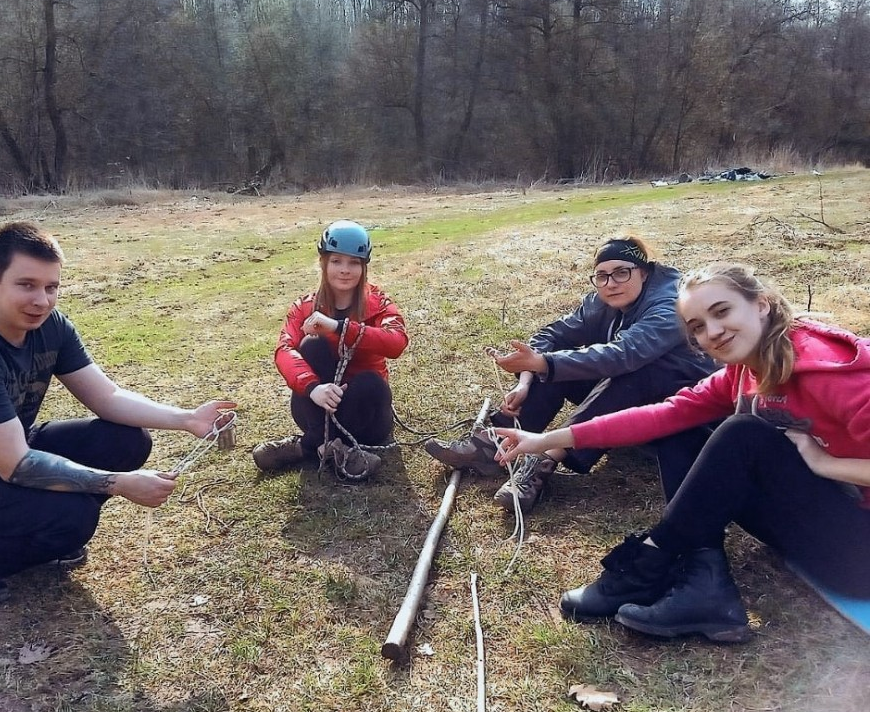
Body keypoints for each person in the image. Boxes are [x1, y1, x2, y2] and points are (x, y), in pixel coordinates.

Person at [495, 264, 870, 642]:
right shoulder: (745, 370)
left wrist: (825, 463)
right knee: (682, 429)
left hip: (859, 557)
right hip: (819, 526)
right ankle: (704, 585)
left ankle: (647, 563)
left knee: (744, 433)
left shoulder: (829, 371)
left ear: (761, 305)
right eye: (697, 327)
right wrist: (545, 440)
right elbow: (664, 414)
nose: (713, 332)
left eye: (722, 312)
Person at [0, 222, 236, 607]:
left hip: (8, 449)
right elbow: (15, 465)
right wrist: (116, 483)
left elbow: (107, 397)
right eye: (27, 285)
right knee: (74, 517)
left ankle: (41, 530)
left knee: (125, 439)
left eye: (51, 287)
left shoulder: (50, 326)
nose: (42, 300)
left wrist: (187, 418)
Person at [426, 236, 716, 513]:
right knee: (560, 362)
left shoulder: (670, 303)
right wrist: (527, 379)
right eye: (601, 276)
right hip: (625, 401)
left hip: (678, 410)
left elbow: (624, 355)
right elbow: (552, 335)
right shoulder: (603, 299)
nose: (610, 283)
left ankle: (542, 463)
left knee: (633, 370)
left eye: (620, 273)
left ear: (642, 272)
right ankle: (492, 445)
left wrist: (544, 363)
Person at [252, 220, 408, 479]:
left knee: (371, 382)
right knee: (310, 345)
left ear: (364, 267)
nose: (345, 270)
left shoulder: (378, 303)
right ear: (323, 263)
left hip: (368, 413)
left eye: (354, 263)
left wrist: (338, 327)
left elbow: (396, 341)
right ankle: (338, 451)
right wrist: (313, 388)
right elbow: (284, 349)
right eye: (336, 261)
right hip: (318, 407)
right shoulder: (305, 306)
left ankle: (308, 447)